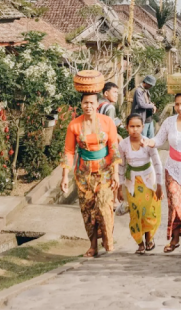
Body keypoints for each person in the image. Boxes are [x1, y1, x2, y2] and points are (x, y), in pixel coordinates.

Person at [61, 91, 120, 258]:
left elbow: (114, 147)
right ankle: (93, 246)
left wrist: (115, 173)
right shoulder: (74, 125)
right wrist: (65, 176)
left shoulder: (107, 122)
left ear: (97, 105)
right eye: (85, 103)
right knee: (87, 211)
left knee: (103, 207)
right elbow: (69, 151)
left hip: (105, 172)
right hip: (83, 175)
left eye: (92, 103)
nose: (88, 106)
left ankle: (108, 243)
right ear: (81, 104)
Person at [146, 93, 181, 255]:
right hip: (173, 168)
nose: (180, 108)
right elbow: (158, 140)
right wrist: (148, 141)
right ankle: (175, 239)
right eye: (177, 104)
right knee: (175, 204)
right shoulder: (170, 122)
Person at [117, 114, 164, 253]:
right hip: (132, 183)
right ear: (127, 128)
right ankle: (140, 243)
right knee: (136, 213)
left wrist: (160, 186)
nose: (135, 130)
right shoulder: (123, 145)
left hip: (148, 182)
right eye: (132, 126)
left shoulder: (148, 143)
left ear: (143, 127)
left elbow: (157, 163)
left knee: (149, 211)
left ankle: (149, 237)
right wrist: (120, 187)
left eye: (138, 126)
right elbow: (121, 166)